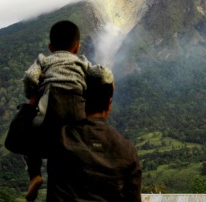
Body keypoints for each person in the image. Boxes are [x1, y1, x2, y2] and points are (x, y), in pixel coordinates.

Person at [46, 65, 142, 201]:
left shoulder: (59, 138)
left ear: (82, 100)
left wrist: (34, 99)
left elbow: (15, 142)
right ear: (109, 103)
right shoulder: (127, 151)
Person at [22, 20, 91, 201]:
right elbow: (98, 76)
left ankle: (35, 174)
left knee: (30, 133)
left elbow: (30, 76)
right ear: (77, 47)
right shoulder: (82, 62)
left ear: (50, 47)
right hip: (77, 109)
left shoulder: (44, 60)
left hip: (51, 107)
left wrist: (31, 92)